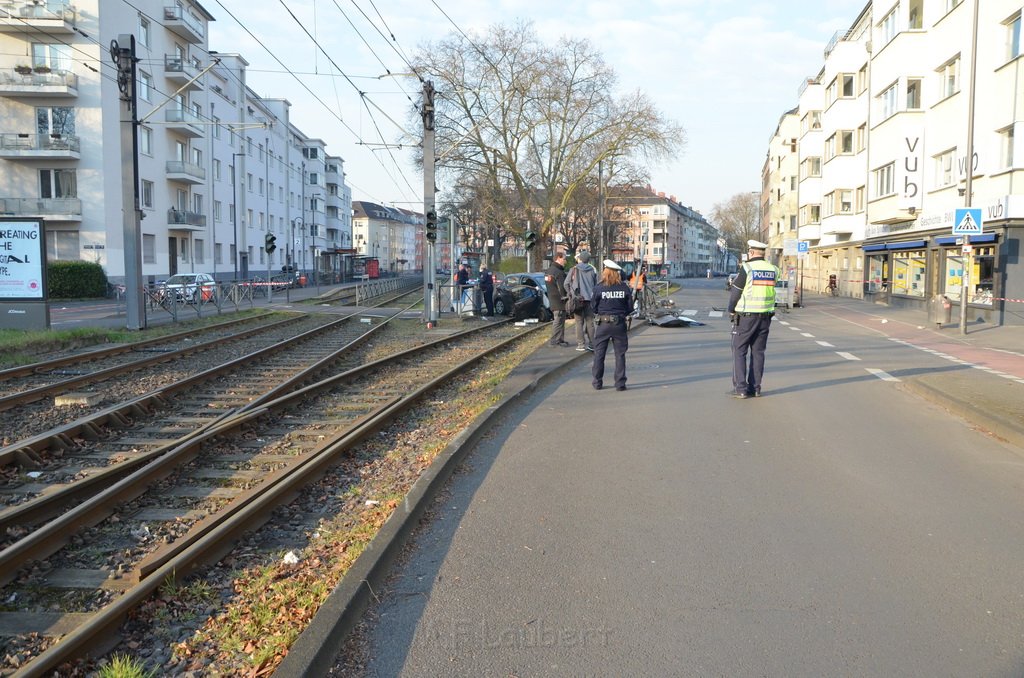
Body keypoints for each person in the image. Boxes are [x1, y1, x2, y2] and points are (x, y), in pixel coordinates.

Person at [727, 239, 781, 399]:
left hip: (746, 317)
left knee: (739, 351)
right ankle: (756, 388)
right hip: (765, 317)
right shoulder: (774, 269)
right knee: (758, 353)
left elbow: (736, 292)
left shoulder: (747, 268)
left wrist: (731, 310)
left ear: (751, 253)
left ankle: (741, 389)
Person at [591, 259, 633, 391]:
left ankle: (597, 383)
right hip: (619, 324)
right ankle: (620, 384)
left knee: (599, 354)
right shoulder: (624, 288)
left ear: (605, 271)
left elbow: (593, 307)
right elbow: (630, 308)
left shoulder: (599, 287)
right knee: (620, 355)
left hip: (603, 324)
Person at [566, 250, 597, 351]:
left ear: (580, 259)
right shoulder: (592, 270)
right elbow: (596, 285)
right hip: (590, 299)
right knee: (590, 322)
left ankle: (581, 344)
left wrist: (571, 293)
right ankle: (592, 343)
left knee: (579, 322)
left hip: (578, 300)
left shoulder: (574, 269)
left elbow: (566, 283)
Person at [545, 251, 570, 347]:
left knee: (559, 320)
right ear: (558, 258)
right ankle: (555, 340)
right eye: (564, 259)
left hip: (553, 299)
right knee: (558, 320)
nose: (565, 261)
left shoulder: (549, 271)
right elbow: (562, 287)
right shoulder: (558, 272)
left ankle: (559, 339)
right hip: (559, 300)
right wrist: (565, 296)